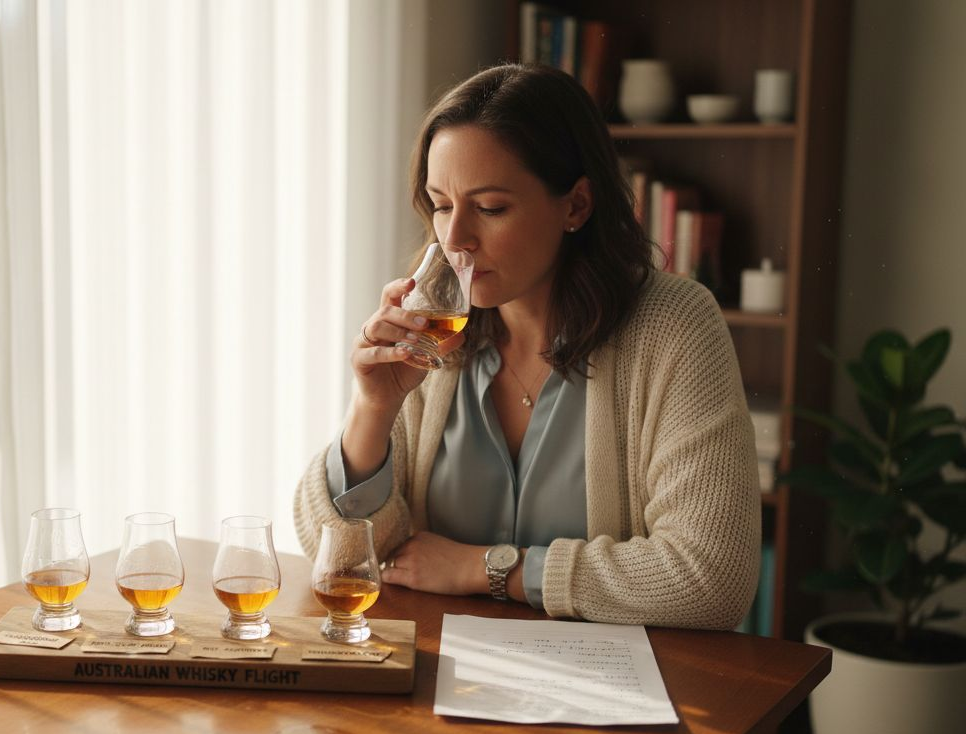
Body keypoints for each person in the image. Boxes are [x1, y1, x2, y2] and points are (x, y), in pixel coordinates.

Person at [292, 63, 760, 630]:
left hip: (608, 681)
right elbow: (339, 561)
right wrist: (372, 407)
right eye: (442, 204)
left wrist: (488, 569)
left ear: (576, 206)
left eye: (490, 208)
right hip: (443, 670)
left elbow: (709, 579)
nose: (455, 239)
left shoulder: (675, 327)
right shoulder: (430, 329)